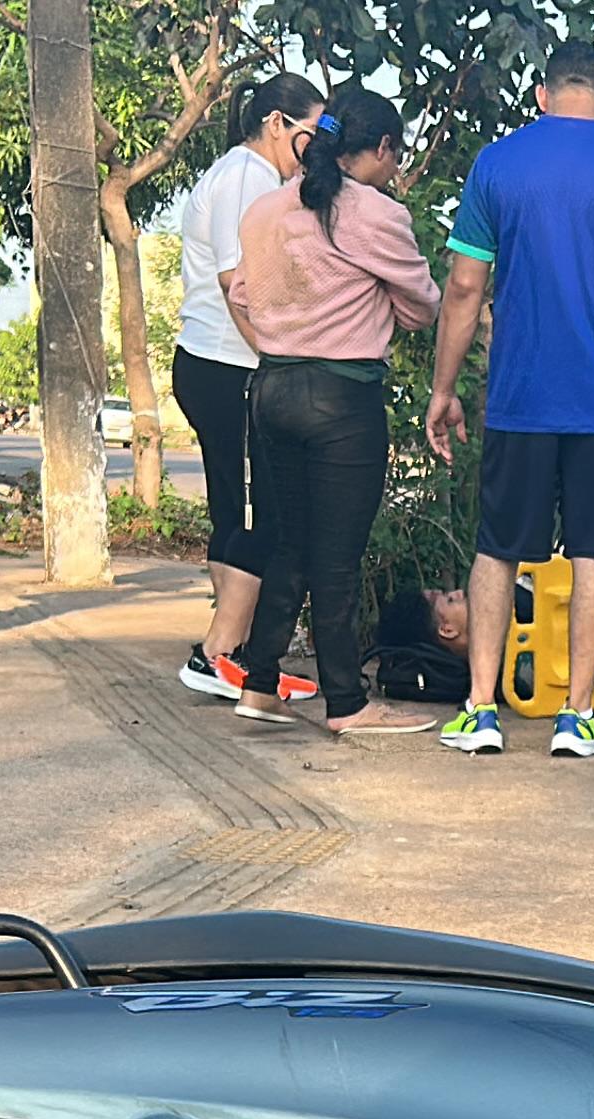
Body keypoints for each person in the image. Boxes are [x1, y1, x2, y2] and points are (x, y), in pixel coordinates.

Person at [424, 41, 594, 759]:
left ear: (542, 97)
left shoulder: (498, 165)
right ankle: (577, 716)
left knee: (497, 550)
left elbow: (462, 289)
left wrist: (444, 389)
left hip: (518, 396)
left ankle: (480, 710)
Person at [220, 86, 442, 736]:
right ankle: (346, 701)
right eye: (394, 158)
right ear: (379, 149)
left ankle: (260, 683)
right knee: (339, 557)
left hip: (272, 389)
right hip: (341, 397)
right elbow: (423, 304)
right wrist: (374, 304)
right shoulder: (374, 213)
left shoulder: (263, 211)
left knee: (289, 541)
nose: (394, 171)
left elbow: (241, 293)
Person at [170, 73, 322, 703]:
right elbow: (240, 284)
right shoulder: (245, 177)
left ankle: (231, 653)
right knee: (259, 511)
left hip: (226, 363)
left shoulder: (256, 176)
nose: (317, 148)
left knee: (240, 509)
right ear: (278, 124)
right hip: (226, 362)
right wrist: (279, 357)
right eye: (312, 133)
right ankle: (218, 654)